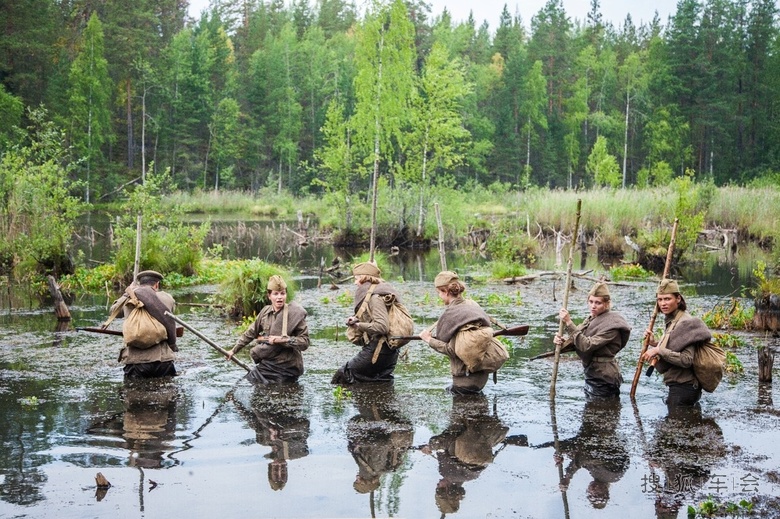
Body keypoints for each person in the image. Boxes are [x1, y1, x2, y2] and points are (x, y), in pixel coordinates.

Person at [641, 278, 713, 409]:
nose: (663, 303)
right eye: (660, 299)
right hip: (679, 386)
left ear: (678, 299)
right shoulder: (673, 319)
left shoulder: (685, 323)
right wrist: (654, 343)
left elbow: (686, 360)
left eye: (667, 299)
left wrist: (658, 350)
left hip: (685, 388)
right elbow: (676, 346)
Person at [419, 271, 493, 394]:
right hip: (481, 379)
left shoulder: (451, 314)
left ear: (446, 292)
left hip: (464, 380)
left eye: (439, 292)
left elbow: (451, 350)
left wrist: (429, 340)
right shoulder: (473, 305)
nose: (439, 296)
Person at [553, 282, 631, 398]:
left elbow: (586, 345)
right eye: (591, 302)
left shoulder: (612, 325)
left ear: (607, 304)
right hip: (592, 372)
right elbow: (578, 338)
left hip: (604, 377)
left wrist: (569, 322)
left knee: (604, 407)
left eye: (598, 303)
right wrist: (562, 342)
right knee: (590, 407)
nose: (593, 306)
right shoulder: (591, 318)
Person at [226, 275, 309, 384]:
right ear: (269, 296)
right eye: (276, 294)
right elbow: (251, 333)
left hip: (288, 367)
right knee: (248, 382)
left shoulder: (295, 314)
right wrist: (233, 350)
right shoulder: (265, 312)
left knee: (278, 390)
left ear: (286, 294)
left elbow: (305, 342)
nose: (279, 297)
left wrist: (283, 340)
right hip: (269, 364)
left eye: (282, 293)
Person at [331, 262, 402, 384]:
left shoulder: (375, 298)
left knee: (344, 375)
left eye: (356, 279)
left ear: (364, 279)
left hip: (378, 350)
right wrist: (357, 320)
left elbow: (382, 327)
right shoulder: (381, 292)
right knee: (378, 382)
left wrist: (359, 325)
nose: (355, 283)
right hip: (390, 352)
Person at [108, 270, 178, 379]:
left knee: (134, 389)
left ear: (139, 284)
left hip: (135, 362)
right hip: (163, 360)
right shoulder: (166, 298)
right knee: (166, 388)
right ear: (157, 284)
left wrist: (128, 293)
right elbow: (171, 313)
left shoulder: (128, 298)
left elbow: (113, 312)